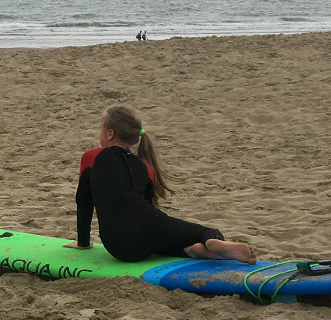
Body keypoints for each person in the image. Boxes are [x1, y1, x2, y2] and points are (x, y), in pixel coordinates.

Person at [65, 104, 256, 264]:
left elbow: (84, 202)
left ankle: (195, 250)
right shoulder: (145, 166)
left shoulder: (90, 158)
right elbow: (147, 208)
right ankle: (206, 244)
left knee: (162, 238)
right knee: (202, 232)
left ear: (110, 134)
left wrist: (83, 242)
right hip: (148, 234)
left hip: (118, 247)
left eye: (100, 127)